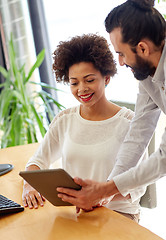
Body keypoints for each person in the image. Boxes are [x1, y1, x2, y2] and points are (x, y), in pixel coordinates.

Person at [22, 33, 146, 222]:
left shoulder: (129, 123)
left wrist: (101, 197)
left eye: (89, 80)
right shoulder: (65, 119)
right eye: (74, 83)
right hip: (75, 214)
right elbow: (37, 162)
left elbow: (139, 184)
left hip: (118, 215)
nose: (81, 89)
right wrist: (29, 186)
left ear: (106, 78)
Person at [57, 0, 166, 211]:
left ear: (142, 48)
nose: (121, 63)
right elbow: (138, 133)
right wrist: (105, 192)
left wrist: (105, 190)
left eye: (121, 53)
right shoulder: (146, 75)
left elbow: (164, 158)